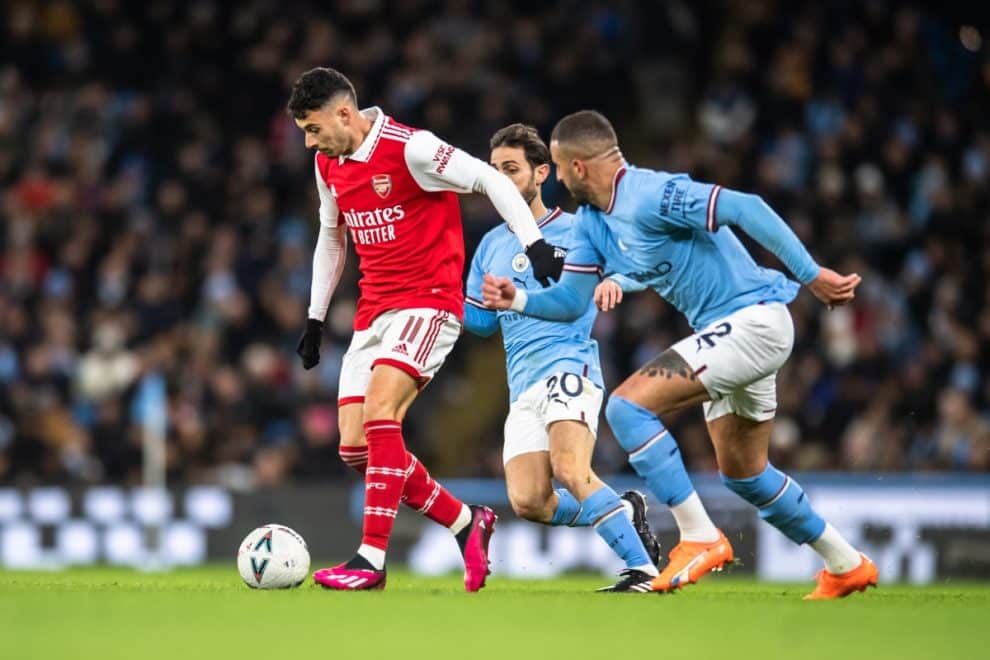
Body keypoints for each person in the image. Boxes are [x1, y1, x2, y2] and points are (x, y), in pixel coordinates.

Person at [481, 110, 879, 599]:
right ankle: (845, 563)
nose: (558, 178)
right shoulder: (590, 225)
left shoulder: (650, 193)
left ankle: (698, 536)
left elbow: (747, 207)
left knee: (628, 407)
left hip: (756, 319)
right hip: (726, 337)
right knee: (745, 474)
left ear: (579, 167)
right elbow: (568, 302)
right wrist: (515, 299)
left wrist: (810, 273)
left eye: (560, 168)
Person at [288, 67, 563, 592]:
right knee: (354, 449)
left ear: (344, 114)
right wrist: (315, 317)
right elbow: (332, 236)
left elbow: (488, 179)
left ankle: (370, 560)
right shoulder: (328, 165)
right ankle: (466, 521)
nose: (308, 141)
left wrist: (534, 243)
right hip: (373, 312)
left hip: (429, 303)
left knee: (380, 413)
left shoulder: (412, 149)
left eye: (314, 128)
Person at [464, 124, 661, 592]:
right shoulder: (490, 244)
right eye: (492, 172)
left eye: (510, 170)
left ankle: (643, 571)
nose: (500, 181)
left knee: (571, 470)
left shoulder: (577, 229)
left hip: (569, 366)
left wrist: (617, 282)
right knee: (530, 500)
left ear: (541, 173)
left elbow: (637, 264)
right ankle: (624, 511)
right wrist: (445, 298)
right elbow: (479, 324)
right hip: (522, 382)